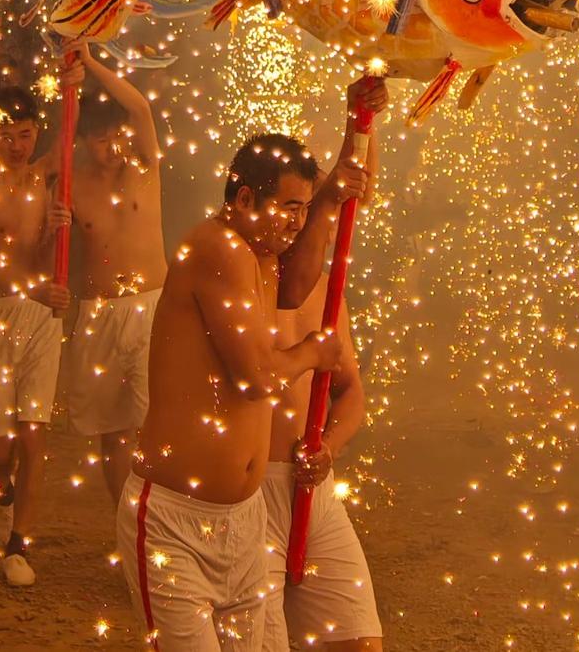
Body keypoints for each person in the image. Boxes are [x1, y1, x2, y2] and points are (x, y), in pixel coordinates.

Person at [116, 76, 387, 652]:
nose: (295, 223)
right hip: (174, 519)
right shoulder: (217, 248)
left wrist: (340, 175)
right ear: (243, 200)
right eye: (287, 208)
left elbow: (297, 286)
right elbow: (257, 377)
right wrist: (315, 351)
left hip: (242, 520)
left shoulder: (261, 254)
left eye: (301, 210)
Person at [0, 83, 71, 587]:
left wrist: (74, 77)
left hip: (41, 319)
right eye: (6, 135)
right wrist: (35, 288)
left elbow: (69, 135)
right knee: (1, 447)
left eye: (24, 135)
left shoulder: (45, 179)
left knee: (33, 434)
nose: (16, 146)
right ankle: (1, 482)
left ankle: (19, 543)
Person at [62, 43, 167, 502]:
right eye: (102, 140)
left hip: (151, 307)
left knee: (156, 423)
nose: (113, 147)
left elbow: (140, 108)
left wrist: (91, 64)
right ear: (85, 141)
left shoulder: (144, 166)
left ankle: (156, 520)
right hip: (99, 312)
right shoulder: (72, 184)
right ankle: (124, 520)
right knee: (112, 429)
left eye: (117, 136)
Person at [261, 283, 382, 652]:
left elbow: (350, 390)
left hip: (316, 494)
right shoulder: (237, 283)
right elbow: (251, 381)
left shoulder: (329, 292)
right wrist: (309, 353)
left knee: (359, 643)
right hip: (248, 494)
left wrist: (328, 445)